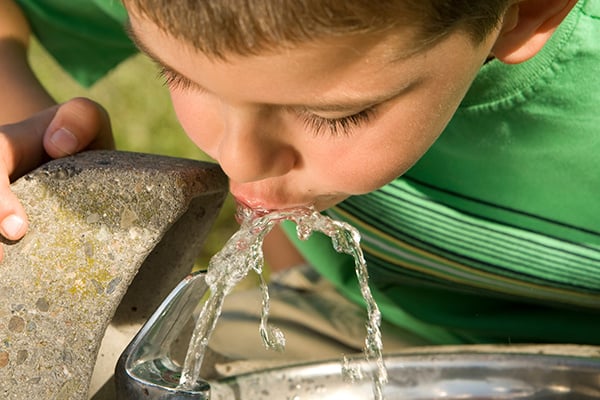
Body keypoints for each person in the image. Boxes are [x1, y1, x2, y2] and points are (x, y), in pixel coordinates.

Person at [1, 0, 599, 354]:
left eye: (330, 116)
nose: (239, 163)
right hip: (356, 323)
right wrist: (20, 120)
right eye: (177, 74)